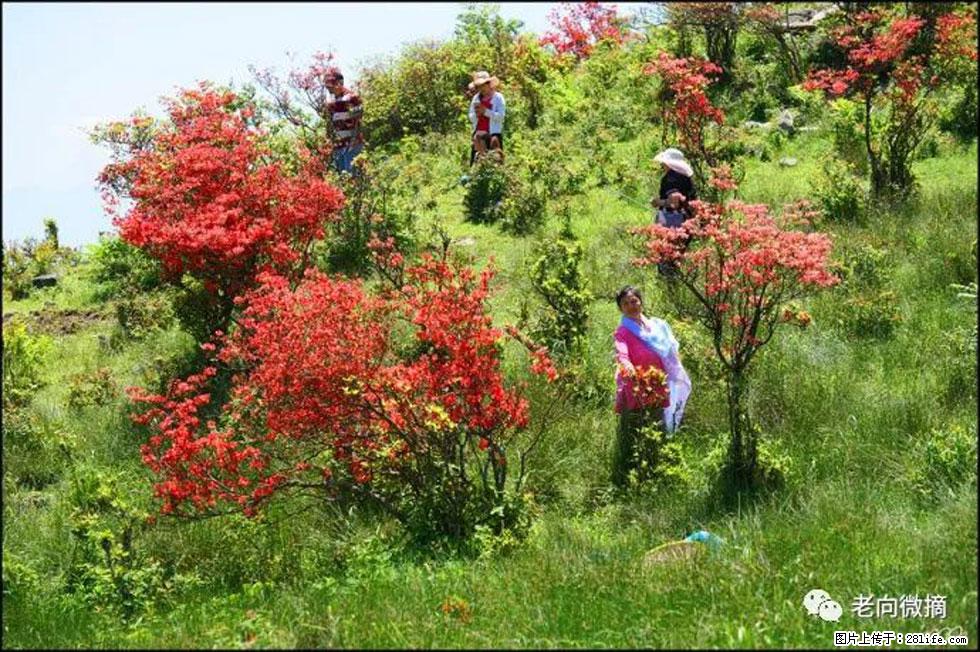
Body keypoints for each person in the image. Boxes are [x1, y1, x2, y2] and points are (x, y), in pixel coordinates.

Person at [612, 286, 692, 487]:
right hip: (636, 386)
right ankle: (633, 473)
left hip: (657, 384)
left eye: (634, 301)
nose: (632, 306)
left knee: (658, 424)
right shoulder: (623, 332)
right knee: (636, 428)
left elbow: (671, 349)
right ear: (621, 308)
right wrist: (630, 369)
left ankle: (660, 467)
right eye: (626, 303)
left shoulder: (656, 326)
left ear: (641, 302)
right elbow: (622, 354)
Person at [324, 68, 364, 174]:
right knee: (342, 178)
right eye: (327, 84)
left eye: (330, 84)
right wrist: (329, 143)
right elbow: (330, 125)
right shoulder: (331, 103)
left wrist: (353, 143)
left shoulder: (352, 98)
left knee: (352, 177)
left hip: (352, 145)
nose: (328, 88)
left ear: (339, 83)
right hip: (338, 146)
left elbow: (358, 121)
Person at [650, 147, 698, 225]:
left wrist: (658, 202)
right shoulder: (685, 177)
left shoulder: (670, 178)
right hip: (687, 218)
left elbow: (674, 202)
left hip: (672, 220)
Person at [467, 71, 506, 166]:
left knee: (496, 163)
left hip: (493, 134)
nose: (481, 88)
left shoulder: (498, 98)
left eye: (483, 85)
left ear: (489, 84)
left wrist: (486, 112)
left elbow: (501, 117)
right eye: (479, 86)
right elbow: (470, 116)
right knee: (477, 163)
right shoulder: (476, 98)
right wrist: (477, 114)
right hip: (479, 134)